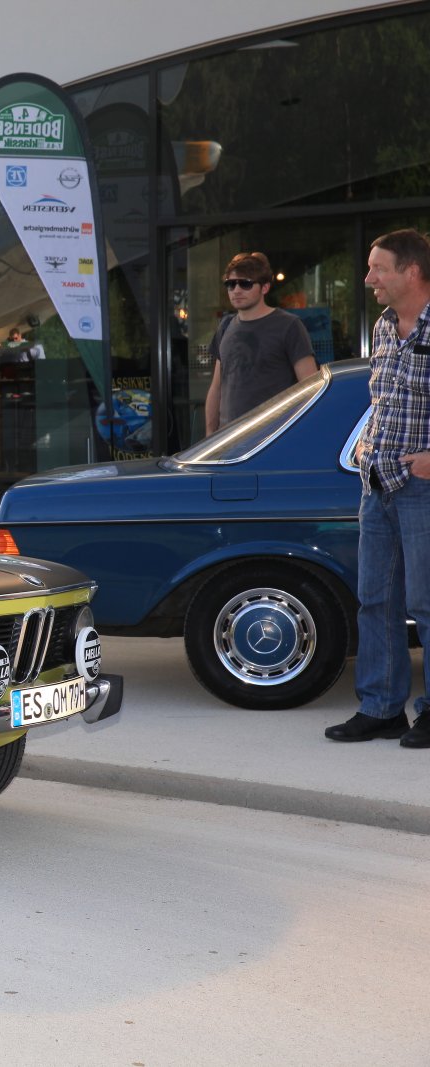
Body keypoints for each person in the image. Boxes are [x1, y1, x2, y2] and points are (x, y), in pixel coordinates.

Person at [325, 229, 430, 746]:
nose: (368, 279)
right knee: (375, 602)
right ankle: (381, 709)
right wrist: (367, 449)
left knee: (427, 604)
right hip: (377, 484)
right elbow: (381, 402)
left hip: (423, 488)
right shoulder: (385, 326)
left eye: (377, 268)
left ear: (411, 271)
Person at [204, 252, 319, 434]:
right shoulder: (225, 326)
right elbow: (216, 387)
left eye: (245, 283)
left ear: (264, 287)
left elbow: (311, 387)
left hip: (273, 438)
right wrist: (210, 436)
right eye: (230, 284)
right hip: (228, 439)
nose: (236, 290)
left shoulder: (289, 326)